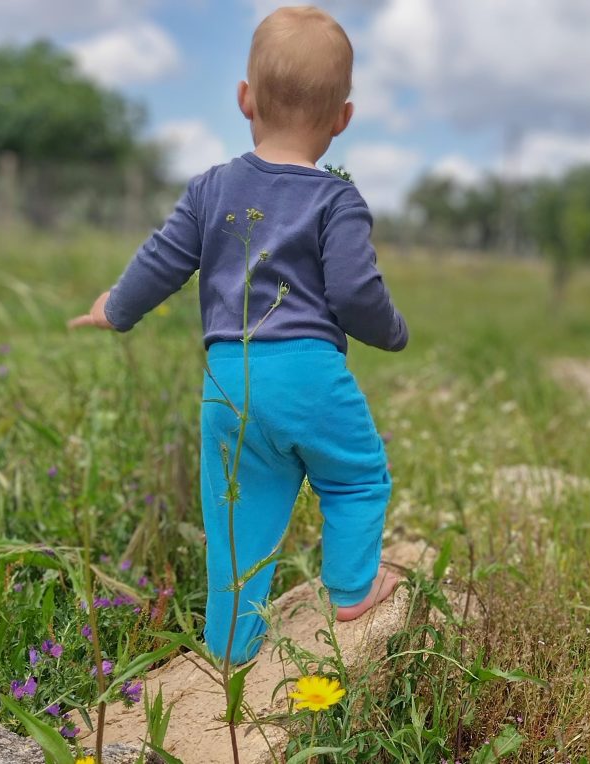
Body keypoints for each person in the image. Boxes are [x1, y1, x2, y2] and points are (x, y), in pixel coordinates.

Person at [68, 5, 407, 664]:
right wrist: (391, 332)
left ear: (245, 99)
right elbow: (355, 292)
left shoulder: (211, 188)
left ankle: (230, 645)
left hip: (229, 381)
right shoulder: (337, 199)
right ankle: (351, 590)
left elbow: (162, 260)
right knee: (356, 478)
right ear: (343, 118)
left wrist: (115, 308)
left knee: (236, 523)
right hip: (309, 375)